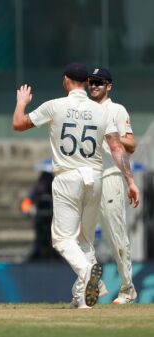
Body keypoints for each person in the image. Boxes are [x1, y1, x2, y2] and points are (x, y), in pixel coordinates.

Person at [11, 62, 140, 309]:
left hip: (68, 176)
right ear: (86, 83)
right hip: (95, 177)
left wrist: (22, 102)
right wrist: (131, 181)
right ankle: (82, 300)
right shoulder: (101, 112)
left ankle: (91, 274)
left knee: (61, 239)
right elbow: (116, 148)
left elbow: (18, 124)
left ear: (66, 81)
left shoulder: (55, 105)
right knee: (84, 240)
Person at [88, 67, 137, 304]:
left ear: (109, 86)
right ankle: (91, 284)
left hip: (109, 177)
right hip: (85, 179)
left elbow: (131, 143)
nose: (94, 86)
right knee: (76, 236)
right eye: (91, 82)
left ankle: (127, 288)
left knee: (116, 237)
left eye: (99, 82)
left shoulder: (116, 110)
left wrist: (112, 135)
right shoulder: (83, 109)